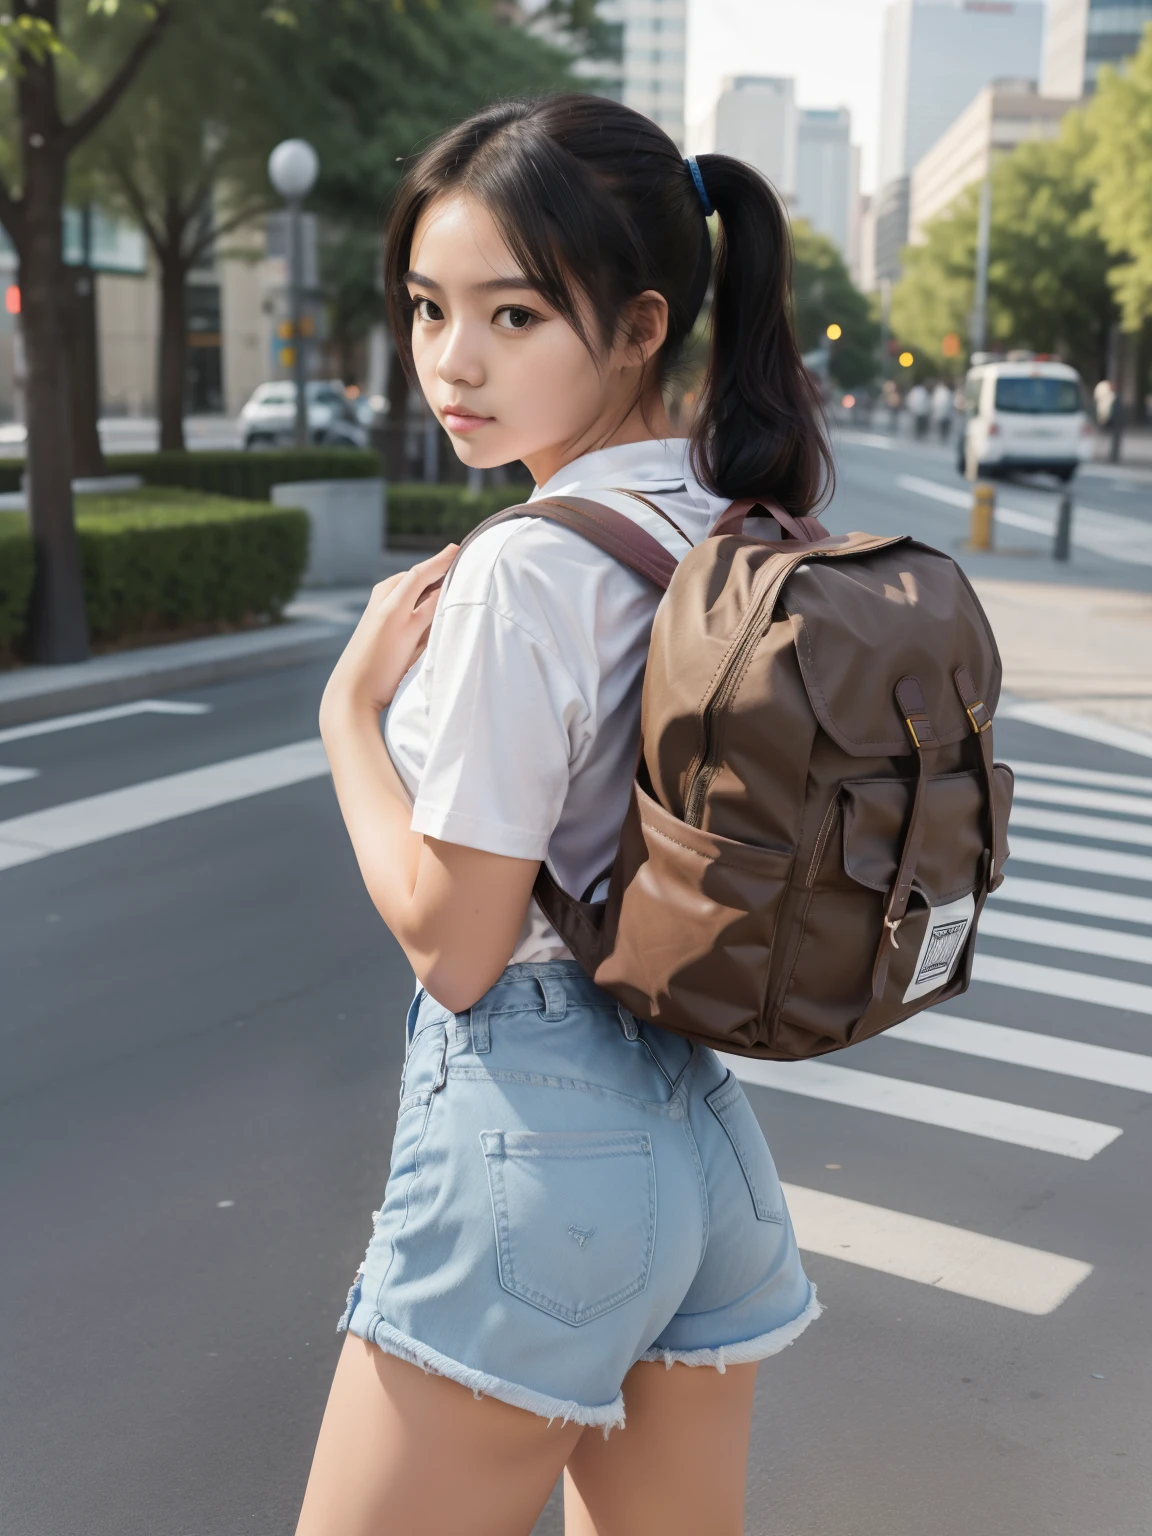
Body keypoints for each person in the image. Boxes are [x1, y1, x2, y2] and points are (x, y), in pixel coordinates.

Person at [301, 95, 823, 1536]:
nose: (450, 362)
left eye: (513, 316)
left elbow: (458, 944)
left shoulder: (528, 570)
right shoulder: (718, 514)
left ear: (644, 325)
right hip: (700, 1144)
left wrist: (346, 719)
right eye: (425, 308)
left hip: (537, 1144)